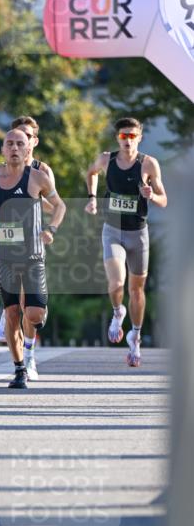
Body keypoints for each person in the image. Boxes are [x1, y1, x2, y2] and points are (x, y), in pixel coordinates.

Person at [0, 128, 66, 389]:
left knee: (33, 314)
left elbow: (60, 206)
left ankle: (36, 317)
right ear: (2, 149)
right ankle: (19, 368)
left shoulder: (38, 178)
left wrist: (51, 229)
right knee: (12, 312)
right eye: (9, 144)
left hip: (33, 255)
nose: (14, 148)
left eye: (19, 144)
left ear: (28, 149)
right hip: (5, 256)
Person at [85, 116, 167, 367]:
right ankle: (117, 311)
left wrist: (152, 195)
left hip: (138, 233)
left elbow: (164, 200)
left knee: (137, 290)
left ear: (139, 138)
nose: (128, 140)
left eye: (132, 136)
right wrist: (92, 198)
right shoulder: (106, 159)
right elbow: (91, 173)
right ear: (117, 138)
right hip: (113, 230)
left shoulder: (148, 164)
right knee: (117, 282)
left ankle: (135, 337)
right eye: (124, 136)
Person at [0, 115, 56, 380]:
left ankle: (29, 354)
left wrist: (35, 202)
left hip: (33, 245)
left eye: (26, 138)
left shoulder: (42, 171)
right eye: (14, 139)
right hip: (8, 246)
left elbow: (54, 205)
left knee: (30, 308)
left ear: (33, 142)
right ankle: (10, 325)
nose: (19, 144)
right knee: (15, 307)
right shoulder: (0, 172)